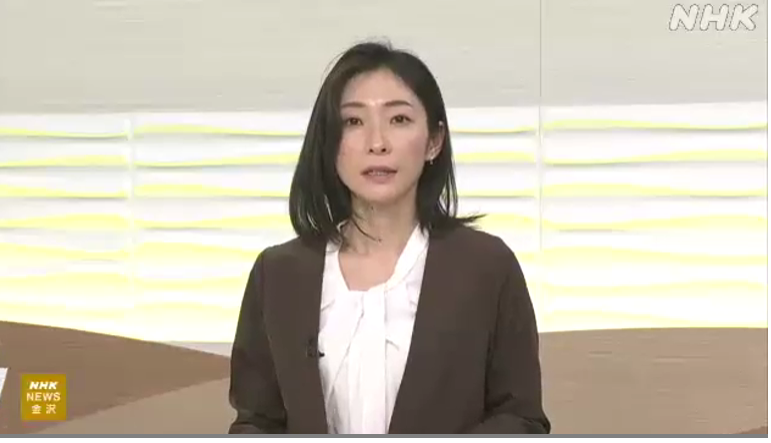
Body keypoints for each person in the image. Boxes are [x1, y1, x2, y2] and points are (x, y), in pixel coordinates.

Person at [228, 41, 550, 435]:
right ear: (329, 143)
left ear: (433, 141)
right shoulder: (278, 274)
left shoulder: (486, 267)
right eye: (353, 121)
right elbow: (256, 423)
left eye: (399, 119)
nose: (377, 142)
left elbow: (521, 420)